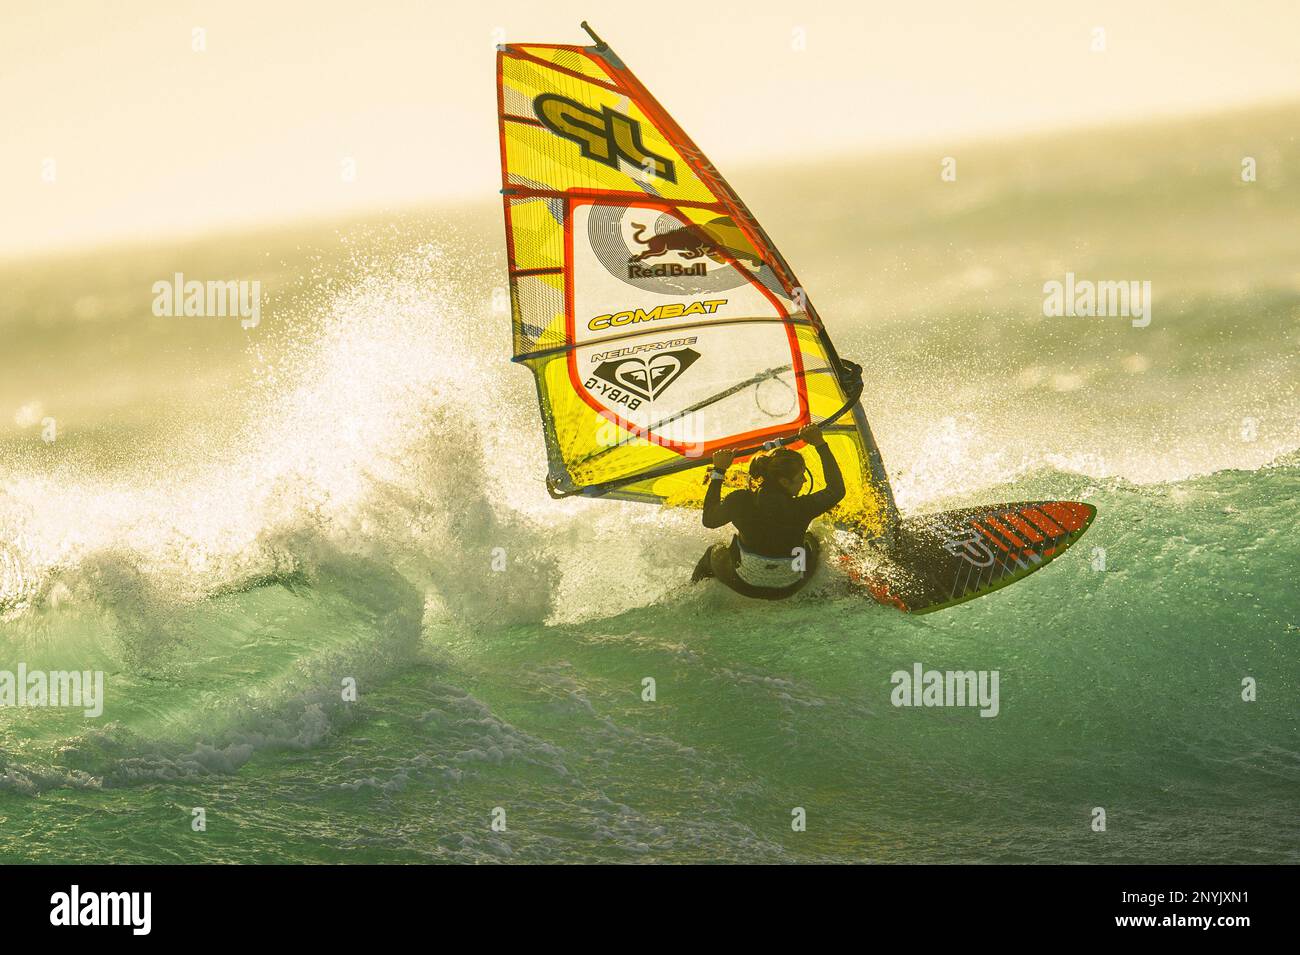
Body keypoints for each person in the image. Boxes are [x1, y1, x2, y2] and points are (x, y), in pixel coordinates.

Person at [691, 424, 845, 599]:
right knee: (814, 540)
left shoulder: (740, 500)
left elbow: (709, 520)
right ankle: (822, 595)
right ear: (784, 482)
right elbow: (836, 490)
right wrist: (820, 444)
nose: (803, 480)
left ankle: (690, 595)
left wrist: (719, 471)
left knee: (714, 550)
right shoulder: (802, 507)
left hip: (744, 584)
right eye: (800, 476)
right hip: (792, 585)